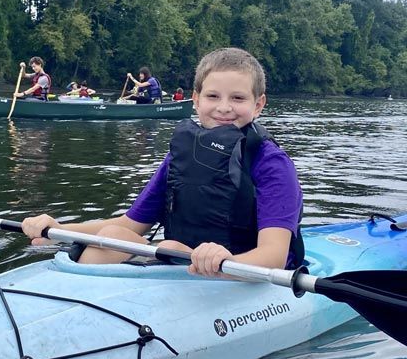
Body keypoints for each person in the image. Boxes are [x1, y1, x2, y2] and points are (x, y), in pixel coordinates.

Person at [22, 47, 304, 277]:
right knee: (113, 234)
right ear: (196, 100)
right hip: (184, 263)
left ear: (258, 104)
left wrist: (221, 263)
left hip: (243, 274)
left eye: (238, 98)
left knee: (168, 245)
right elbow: (131, 225)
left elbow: (273, 257)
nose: (224, 107)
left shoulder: (271, 164)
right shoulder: (181, 156)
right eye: (213, 96)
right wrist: (58, 230)